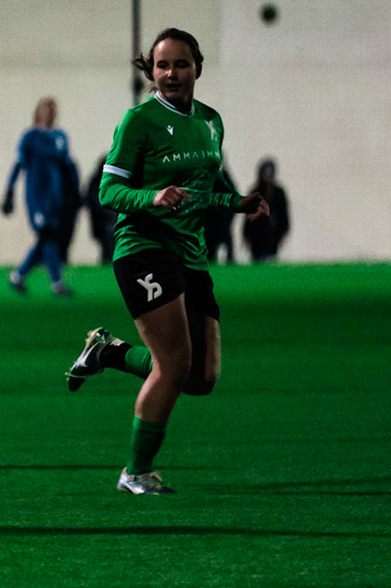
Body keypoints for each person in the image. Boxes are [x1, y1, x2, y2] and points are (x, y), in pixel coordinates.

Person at [63, 28, 269, 494]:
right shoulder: (138, 122)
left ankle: (108, 352)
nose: (170, 74)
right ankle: (135, 472)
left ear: (198, 67)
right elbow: (108, 191)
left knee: (201, 377)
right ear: (149, 71)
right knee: (174, 363)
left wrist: (236, 203)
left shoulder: (211, 121)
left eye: (180, 64)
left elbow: (199, 188)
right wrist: (152, 196)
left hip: (189, 255)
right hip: (143, 249)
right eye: (161, 66)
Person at [0, 98, 78, 296]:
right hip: (36, 197)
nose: (51, 114)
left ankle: (18, 275)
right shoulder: (30, 137)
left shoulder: (60, 137)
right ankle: (56, 283)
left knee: (48, 239)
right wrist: (9, 191)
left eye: (54, 110)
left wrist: (75, 191)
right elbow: (18, 164)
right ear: (39, 112)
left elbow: (67, 166)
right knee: (47, 237)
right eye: (47, 110)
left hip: (55, 198)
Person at [243, 158, 290, 261]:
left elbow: (284, 219)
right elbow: (248, 218)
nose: (267, 177)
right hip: (256, 241)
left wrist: (280, 238)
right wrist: (246, 237)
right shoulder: (255, 192)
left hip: (273, 241)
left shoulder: (278, 193)